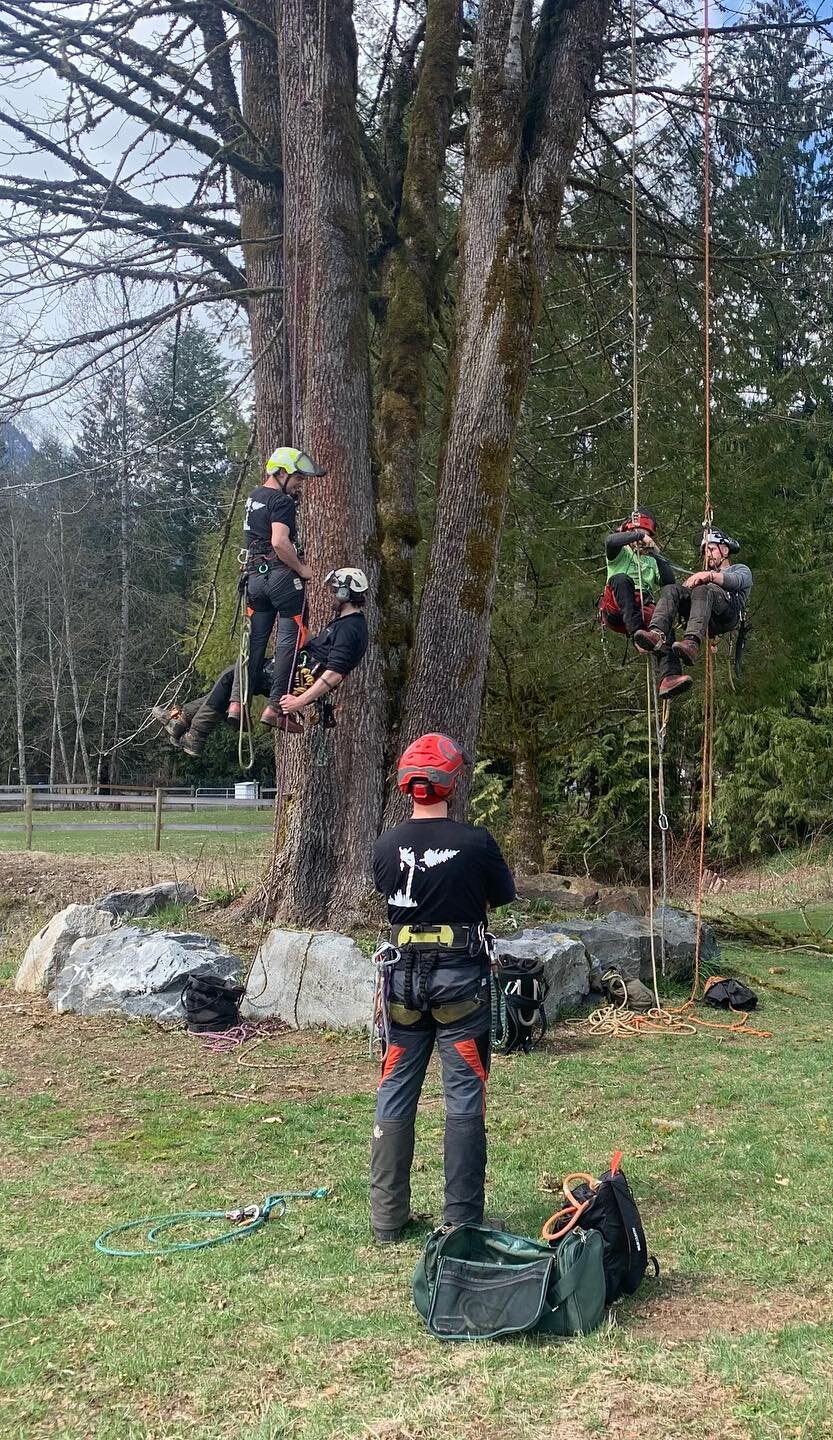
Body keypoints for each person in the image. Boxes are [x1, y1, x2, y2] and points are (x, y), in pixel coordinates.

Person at [369, 733, 517, 1244]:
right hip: (460, 982)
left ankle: (387, 1219)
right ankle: (462, 1220)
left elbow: (385, 890)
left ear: (407, 784)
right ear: (452, 781)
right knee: (463, 1095)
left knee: (395, 1086)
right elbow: (502, 895)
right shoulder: (476, 843)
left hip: (402, 980)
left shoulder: (386, 843)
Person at [153, 568, 370, 755]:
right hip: (295, 670)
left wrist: (299, 701)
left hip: (298, 679)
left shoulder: (352, 629)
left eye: (334, 590)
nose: (331, 594)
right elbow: (317, 646)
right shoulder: (344, 623)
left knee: (235, 675)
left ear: (345, 593)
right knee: (236, 676)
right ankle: (185, 721)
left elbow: (335, 673)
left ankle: (194, 732)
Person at [243, 445, 319, 729]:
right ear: (282, 472)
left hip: (254, 579)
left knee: (254, 642)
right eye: (298, 476)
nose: (300, 482)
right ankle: (276, 708)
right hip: (281, 578)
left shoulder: (253, 498)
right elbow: (278, 541)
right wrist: (301, 568)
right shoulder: (281, 501)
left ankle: (239, 703)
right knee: (291, 639)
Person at [635, 527, 752, 699]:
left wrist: (708, 576)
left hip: (726, 614)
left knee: (704, 589)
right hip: (704, 612)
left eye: (711, 549)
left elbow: (734, 581)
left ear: (725, 550)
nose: (708, 554)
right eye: (705, 551)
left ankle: (691, 643)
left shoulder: (740, 570)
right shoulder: (702, 578)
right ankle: (657, 635)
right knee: (672, 590)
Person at [599, 509, 677, 650]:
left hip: (642, 606)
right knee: (622, 579)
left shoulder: (651, 560)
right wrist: (638, 535)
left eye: (646, 536)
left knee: (663, 622)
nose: (641, 541)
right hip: (617, 606)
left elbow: (669, 583)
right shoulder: (621, 552)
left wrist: (657, 552)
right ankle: (637, 634)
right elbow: (610, 541)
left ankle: (670, 671)